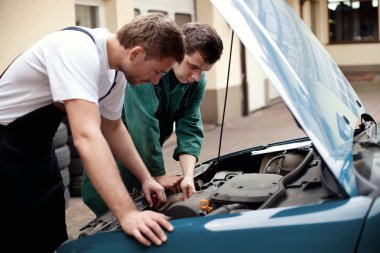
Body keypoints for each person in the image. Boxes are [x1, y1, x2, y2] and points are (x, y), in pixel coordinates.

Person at [0, 13, 184, 252]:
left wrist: (146, 178)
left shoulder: (116, 73)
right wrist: (127, 213)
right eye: (158, 71)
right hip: (5, 144)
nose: (157, 81)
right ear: (136, 53)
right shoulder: (76, 49)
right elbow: (87, 136)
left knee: (51, 226)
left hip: (38, 146)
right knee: (16, 232)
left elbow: (113, 128)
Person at [82, 22, 223, 216]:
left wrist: (189, 175)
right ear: (178, 53)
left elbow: (190, 126)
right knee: (111, 211)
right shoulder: (148, 71)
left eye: (203, 71)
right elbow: (143, 123)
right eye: (193, 66)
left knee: (144, 204)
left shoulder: (196, 82)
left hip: (147, 154)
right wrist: (159, 174)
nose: (196, 76)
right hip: (116, 152)